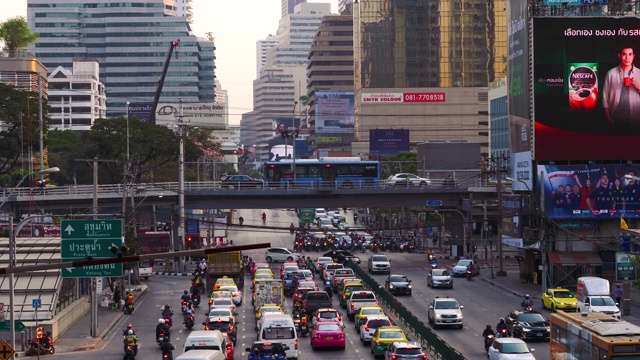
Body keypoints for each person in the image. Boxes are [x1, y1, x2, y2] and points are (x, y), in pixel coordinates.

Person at [603, 44, 640, 132]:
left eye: (630, 54)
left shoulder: (639, 73)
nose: (627, 58)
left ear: (633, 56)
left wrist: (638, 87)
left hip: (636, 120)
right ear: (619, 56)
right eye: (624, 54)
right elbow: (605, 98)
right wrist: (608, 119)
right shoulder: (611, 73)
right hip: (615, 119)